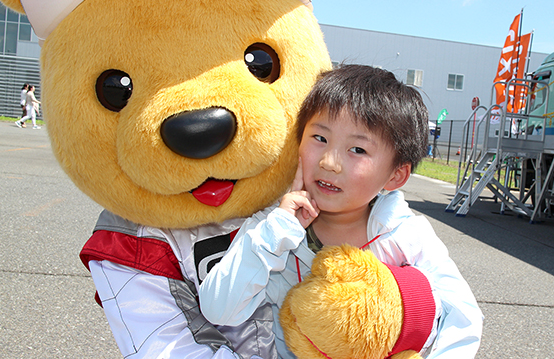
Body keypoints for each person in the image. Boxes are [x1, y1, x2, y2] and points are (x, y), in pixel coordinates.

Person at [199, 65, 483, 358]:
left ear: (395, 176)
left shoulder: (406, 235)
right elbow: (219, 309)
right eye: (319, 138)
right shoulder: (271, 228)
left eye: (358, 150)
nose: (330, 162)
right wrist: (277, 232)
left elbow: (463, 317)